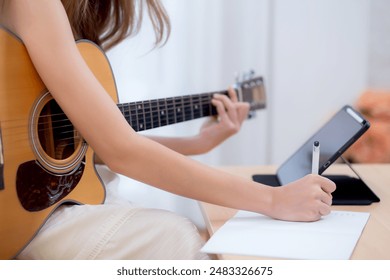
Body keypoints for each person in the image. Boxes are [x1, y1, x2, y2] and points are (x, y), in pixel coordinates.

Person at [0, 0, 336, 260]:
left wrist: (199, 142)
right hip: (22, 220)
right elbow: (120, 150)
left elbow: (94, 144)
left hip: (42, 208)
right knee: (174, 237)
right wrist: (273, 199)